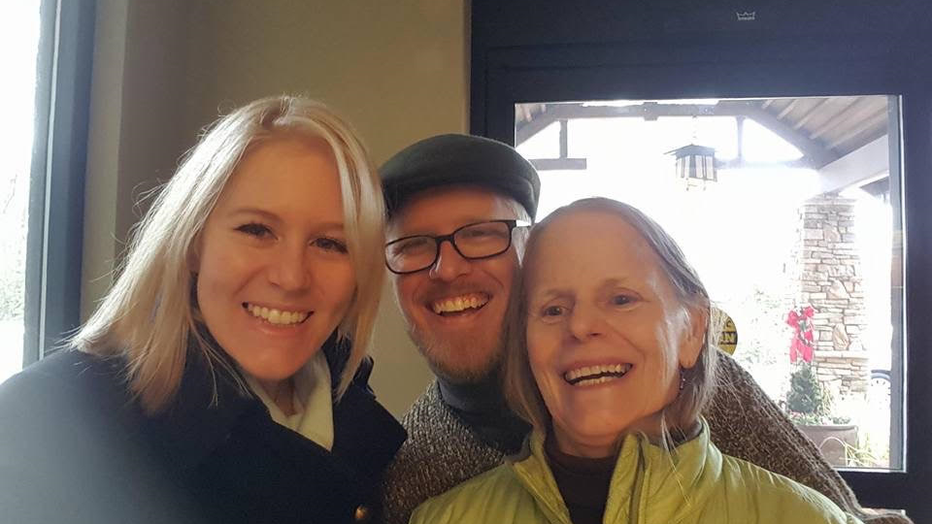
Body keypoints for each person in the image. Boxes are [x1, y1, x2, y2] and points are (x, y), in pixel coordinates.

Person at [378, 134, 906, 524]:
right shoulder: (408, 469)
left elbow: (832, 508)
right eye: (412, 246)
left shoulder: (695, 383)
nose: (445, 269)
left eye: (480, 234)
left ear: (528, 253)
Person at [0, 95, 405, 524]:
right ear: (193, 242)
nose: (291, 278)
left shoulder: (355, 415)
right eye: (257, 230)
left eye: (330, 243)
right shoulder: (42, 425)